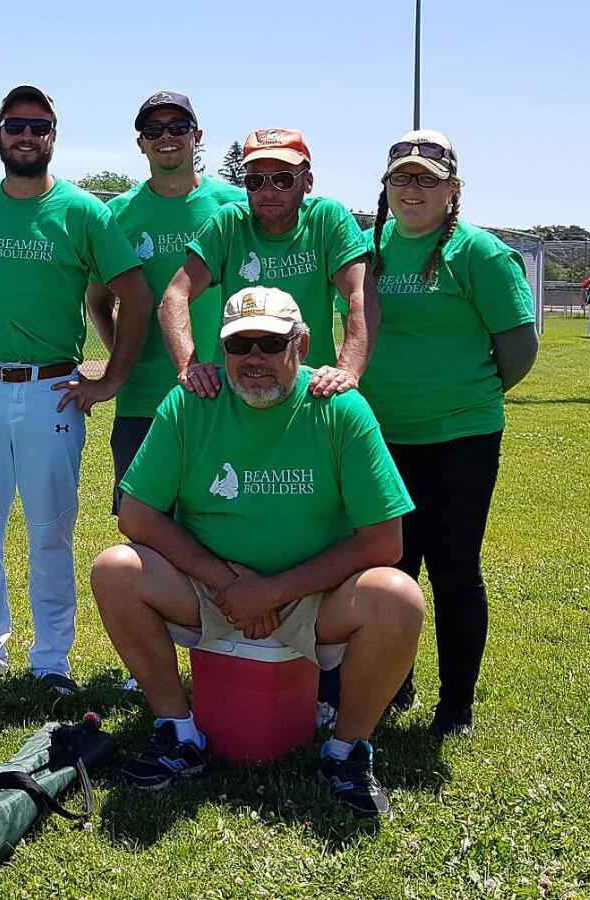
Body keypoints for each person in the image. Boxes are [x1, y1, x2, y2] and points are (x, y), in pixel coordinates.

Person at [90, 286, 424, 819]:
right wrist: (228, 584)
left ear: (302, 343)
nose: (254, 360)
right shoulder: (190, 401)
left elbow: (385, 540)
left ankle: (346, 751)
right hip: (210, 592)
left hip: (314, 600)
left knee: (398, 595)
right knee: (115, 568)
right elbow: (137, 515)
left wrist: (270, 591)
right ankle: (177, 733)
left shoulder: (339, 408)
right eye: (238, 345)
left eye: (270, 343)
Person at [0, 84, 150, 696]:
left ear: (52, 137)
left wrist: (112, 379)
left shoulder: (83, 211)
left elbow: (136, 294)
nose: (26, 135)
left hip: (53, 391)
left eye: (38, 126)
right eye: (15, 124)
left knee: (50, 529)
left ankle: (51, 661)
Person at [331, 130, 538, 737]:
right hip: (377, 437)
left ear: (453, 188)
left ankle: (456, 706)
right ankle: (396, 683)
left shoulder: (480, 255)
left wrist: (461, 395)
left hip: (460, 439)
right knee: (391, 567)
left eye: (427, 178)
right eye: (402, 178)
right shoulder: (366, 250)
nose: (412, 189)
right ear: (386, 187)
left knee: (453, 567)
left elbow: (519, 349)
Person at [87, 91, 245, 514]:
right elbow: (97, 300)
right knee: (144, 525)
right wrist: (125, 355)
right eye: (153, 130)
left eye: (178, 127)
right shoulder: (118, 214)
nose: (166, 137)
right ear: (140, 143)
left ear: (197, 135)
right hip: (143, 399)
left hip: (228, 394)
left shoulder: (235, 206)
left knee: (224, 519)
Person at [159, 127, 376, 402]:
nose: (269, 191)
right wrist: (189, 368)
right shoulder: (229, 224)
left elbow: (362, 295)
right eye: (255, 181)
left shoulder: (327, 219)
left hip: (310, 393)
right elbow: (175, 296)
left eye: (283, 180)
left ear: (307, 181)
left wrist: (347, 371)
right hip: (237, 393)